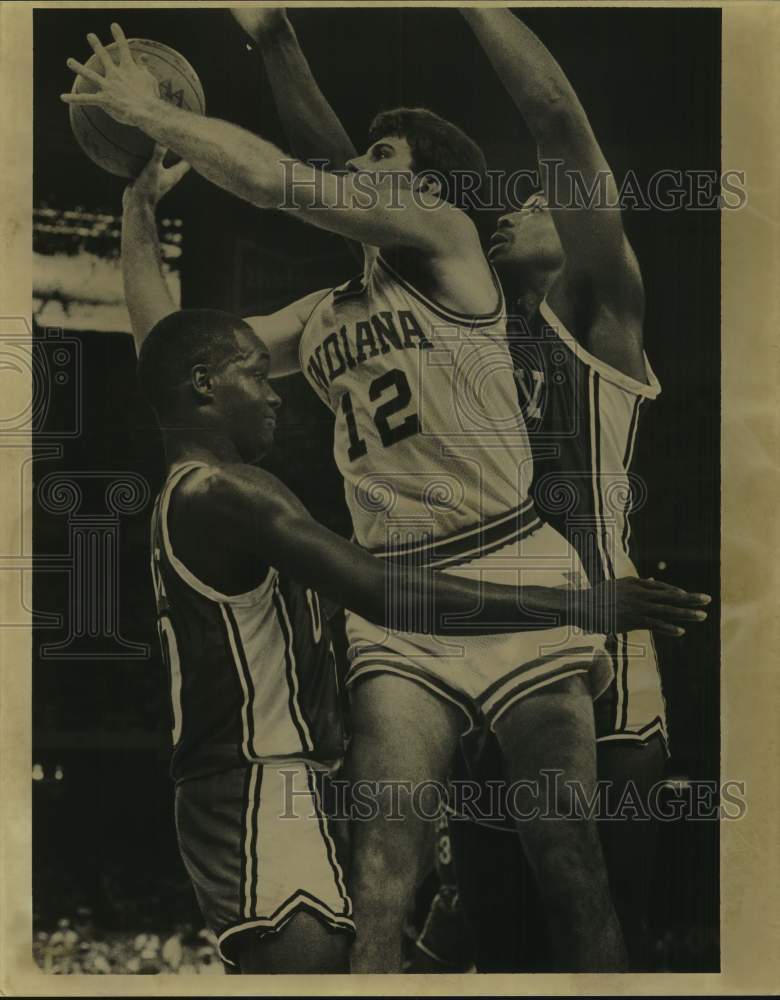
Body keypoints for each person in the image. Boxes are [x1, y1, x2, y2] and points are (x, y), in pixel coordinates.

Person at [72, 23, 711, 972]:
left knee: (568, 859)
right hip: (398, 596)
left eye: (381, 156)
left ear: (424, 187)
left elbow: (293, 179)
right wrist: (136, 206)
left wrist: (149, 113)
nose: (353, 165)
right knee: (382, 875)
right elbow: (177, 356)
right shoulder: (324, 311)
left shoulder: (451, 242)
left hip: (511, 565)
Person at [434, 8, 683, 971]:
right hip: (488, 631)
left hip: (604, 630)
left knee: (608, 917)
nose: (510, 214)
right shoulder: (460, 335)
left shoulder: (596, 318)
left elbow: (554, 117)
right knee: (494, 930)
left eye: (535, 206)